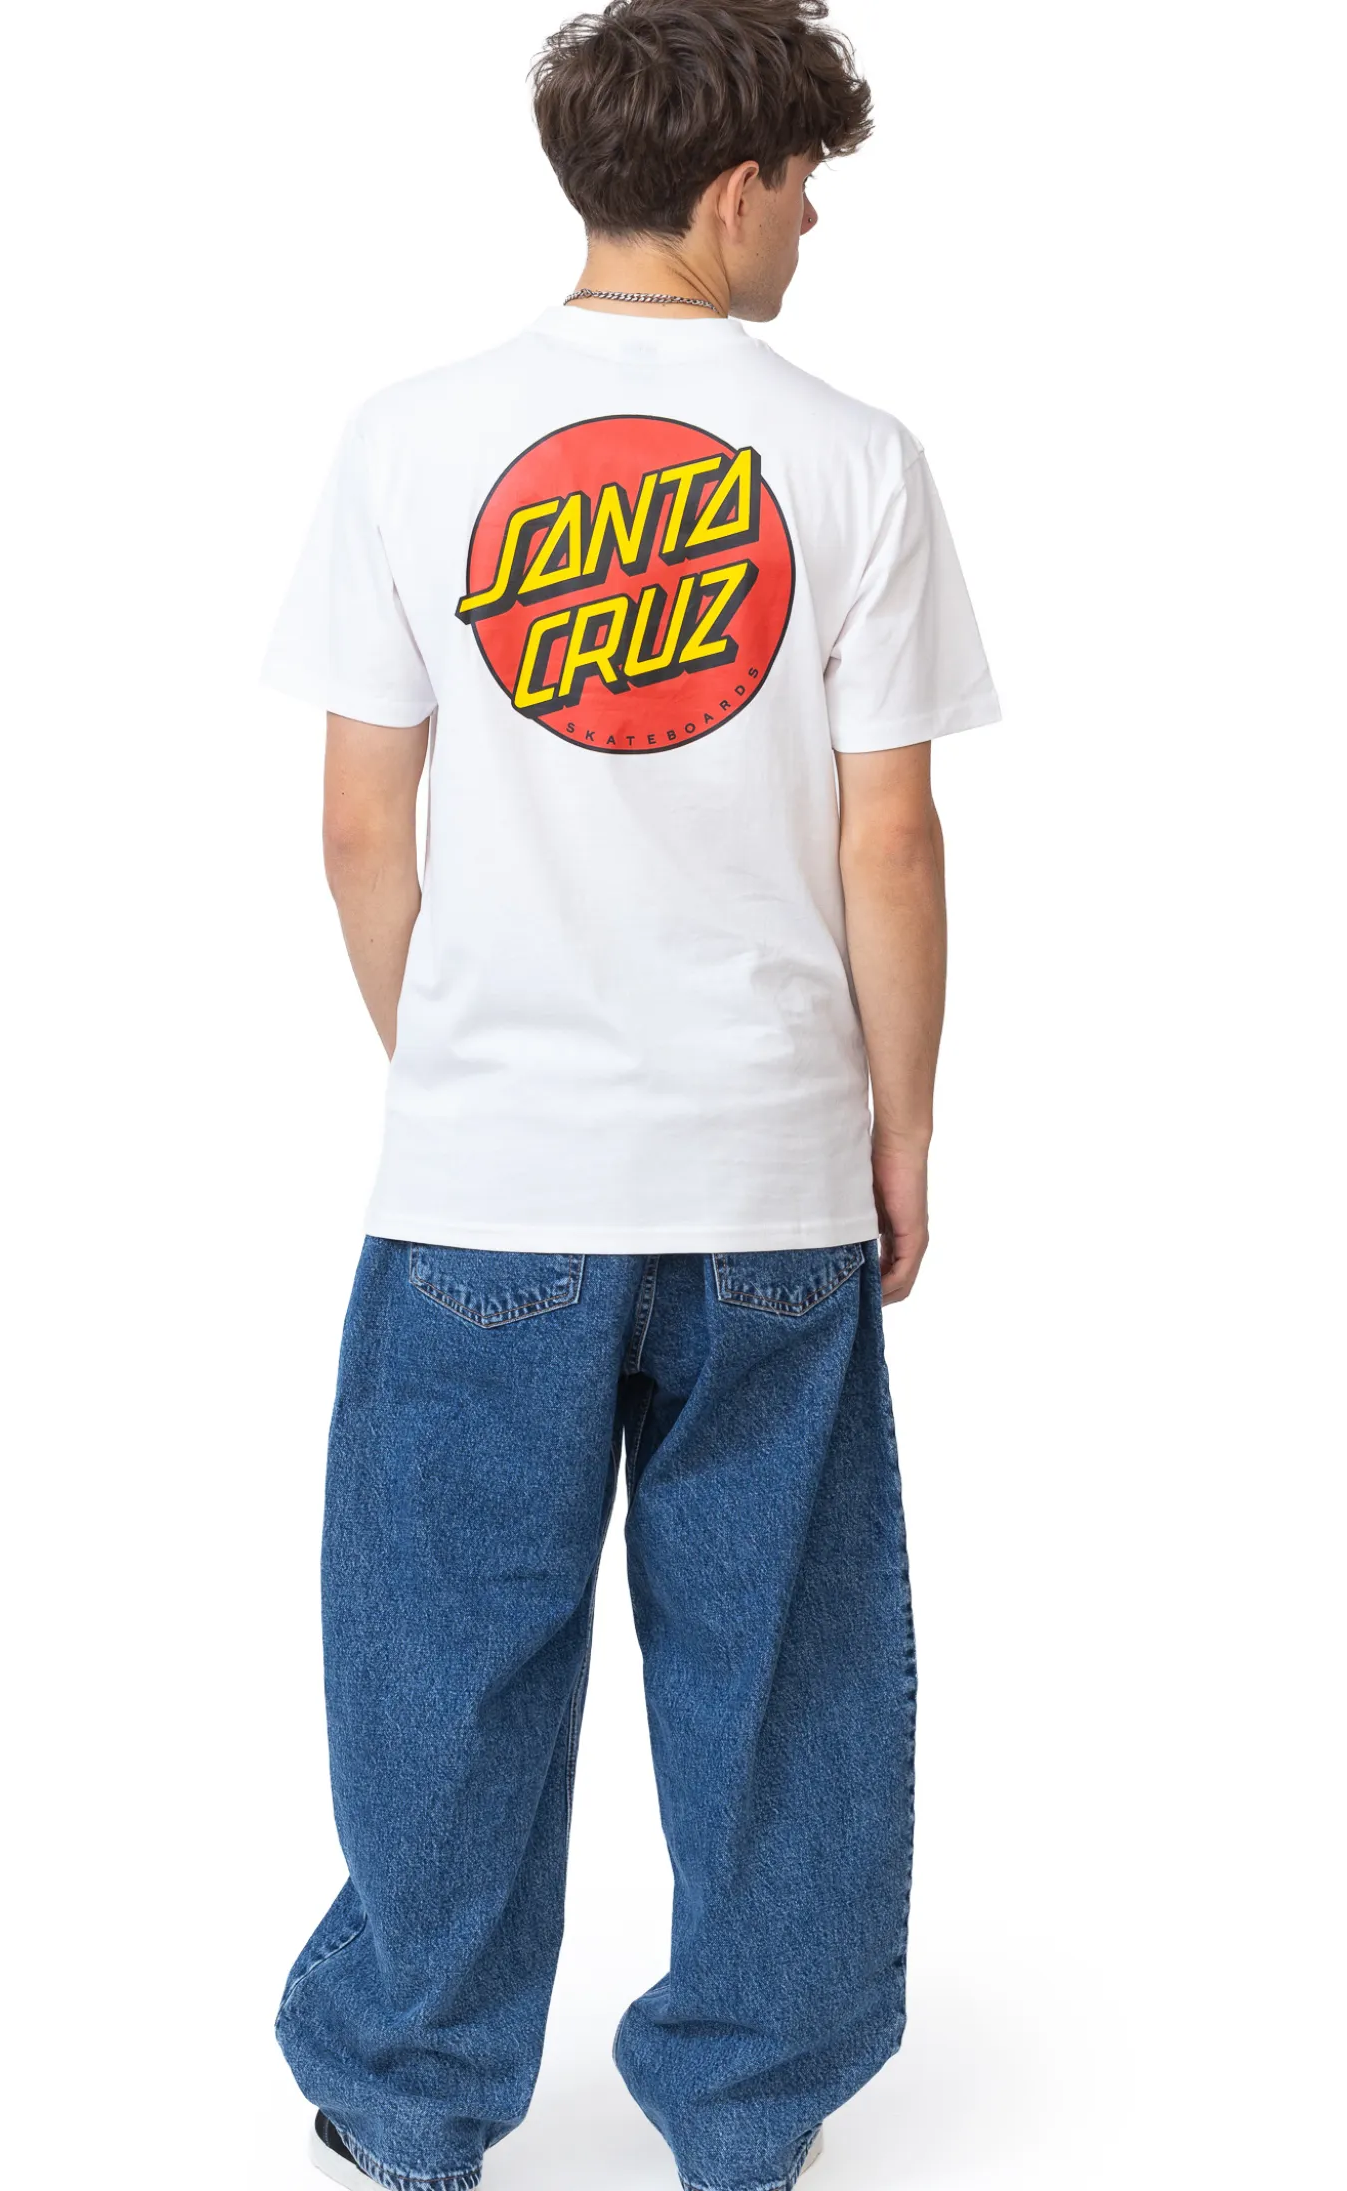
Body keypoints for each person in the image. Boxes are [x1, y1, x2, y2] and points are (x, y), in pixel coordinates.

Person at [260, 4, 1000, 2188]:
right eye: (809, 191)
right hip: (766, 1182)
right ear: (738, 185)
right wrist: (899, 1124)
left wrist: (460, 1067)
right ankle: (749, 2110)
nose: (812, 233)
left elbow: (358, 828)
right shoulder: (851, 458)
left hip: (483, 1184)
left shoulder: (411, 439)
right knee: (778, 1667)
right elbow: (889, 839)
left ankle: (411, 2099)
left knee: (442, 1657)